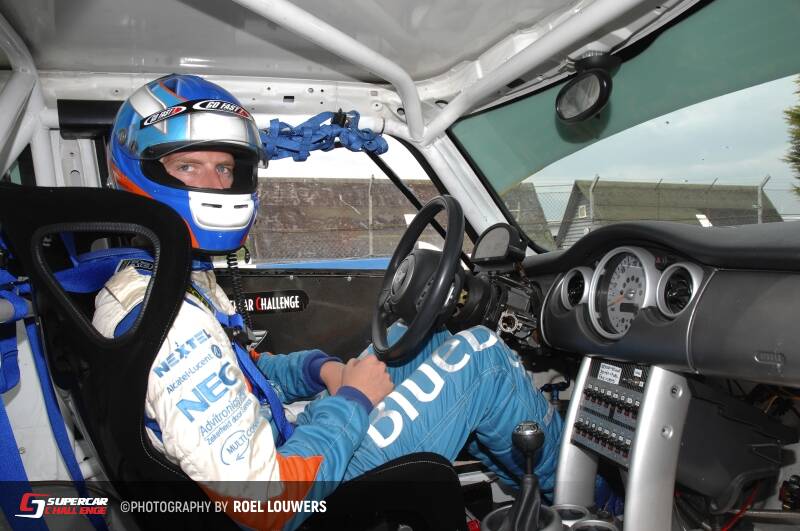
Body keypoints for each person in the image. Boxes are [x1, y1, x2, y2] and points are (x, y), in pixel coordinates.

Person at [93, 74, 563, 530]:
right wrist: (354, 400)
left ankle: (518, 495)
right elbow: (266, 504)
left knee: (419, 334)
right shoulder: (171, 325)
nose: (215, 185)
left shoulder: (166, 280)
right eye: (188, 166)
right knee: (483, 357)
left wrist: (323, 371)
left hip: (288, 443)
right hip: (309, 497)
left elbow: (247, 371)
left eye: (224, 168)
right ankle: (577, 503)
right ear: (141, 170)